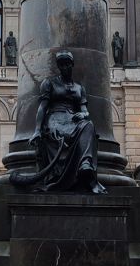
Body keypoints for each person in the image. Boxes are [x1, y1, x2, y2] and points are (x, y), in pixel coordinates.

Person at [11, 50, 104, 193]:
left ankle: (85, 165)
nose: (65, 67)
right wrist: (37, 130)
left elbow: (84, 109)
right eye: (61, 65)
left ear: (72, 65)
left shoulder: (79, 88)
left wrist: (83, 114)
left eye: (67, 64)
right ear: (58, 67)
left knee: (88, 125)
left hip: (73, 119)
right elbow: (43, 107)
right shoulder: (49, 83)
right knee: (60, 133)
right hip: (54, 119)